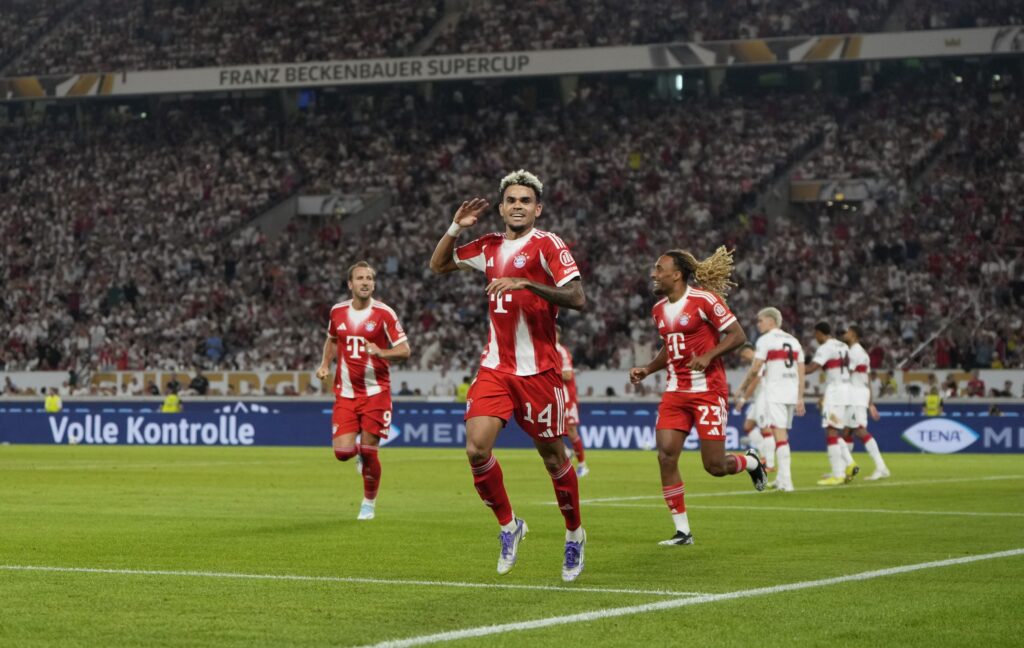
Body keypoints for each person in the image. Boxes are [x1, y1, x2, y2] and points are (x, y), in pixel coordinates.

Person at [428, 169, 588, 582]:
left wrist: (527, 283)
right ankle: (509, 525)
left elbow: (577, 297)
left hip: (540, 371)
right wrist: (454, 228)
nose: (518, 206)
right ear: (501, 208)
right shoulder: (487, 246)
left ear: (538, 208)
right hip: (496, 368)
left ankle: (574, 534)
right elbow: (439, 264)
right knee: (476, 450)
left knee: (553, 457)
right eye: (511, 200)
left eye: (525, 201)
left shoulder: (548, 245)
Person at [629, 247, 767, 546]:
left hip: (708, 391)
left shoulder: (705, 300)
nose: (654, 273)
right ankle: (682, 531)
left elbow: (738, 335)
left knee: (715, 466)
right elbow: (671, 346)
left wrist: (708, 355)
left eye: (659, 268)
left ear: (676, 274)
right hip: (676, 391)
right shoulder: (658, 310)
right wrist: (648, 369)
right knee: (665, 456)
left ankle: (751, 462)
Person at [315, 261, 411, 521]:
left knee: (370, 451)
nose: (365, 282)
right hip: (345, 393)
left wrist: (382, 352)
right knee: (343, 453)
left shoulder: (384, 313)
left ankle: (368, 503)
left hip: (376, 392)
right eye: (360, 278)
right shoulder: (337, 312)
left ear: (374, 283)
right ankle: (357, 456)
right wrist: (325, 364)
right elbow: (332, 339)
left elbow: (405, 350)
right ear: (350, 284)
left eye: (369, 278)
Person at [737, 308, 804, 492]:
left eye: (760, 321)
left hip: (775, 393)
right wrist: (800, 396)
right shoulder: (793, 340)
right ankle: (782, 479)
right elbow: (801, 369)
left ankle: (787, 482)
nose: (758, 324)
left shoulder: (766, 340)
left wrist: (741, 388)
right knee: (779, 434)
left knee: (780, 437)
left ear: (771, 321)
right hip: (790, 393)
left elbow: (756, 367)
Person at [805, 322, 856, 486]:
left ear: (820, 333)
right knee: (834, 429)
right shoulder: (843, 346)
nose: (815, 338)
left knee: (831, 430)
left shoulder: (826, 347)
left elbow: (812, 368)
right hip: (847, 389)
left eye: (816, 335)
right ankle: (849, 463)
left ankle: (838, 474)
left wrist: (794, 370)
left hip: (836, 391)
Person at [842, 326, 890, 480]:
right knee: (848, 431)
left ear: (854, 334)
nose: (845, 334)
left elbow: (845, 374)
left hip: (855, 396)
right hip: (859, 395)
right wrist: (870, 403)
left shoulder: (854, 352)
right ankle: (846, 469)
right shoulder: (862, 352)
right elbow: (867, 379)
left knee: (860, 430)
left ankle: (881, 467)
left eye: (848, 332)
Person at [556, 327, 588, 477]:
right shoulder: (543, 350)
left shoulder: (561, 351)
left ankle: (582, 465)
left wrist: (549, 372)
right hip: (553, 397)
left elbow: (568, 375)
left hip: (567, 397)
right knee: (547, 430)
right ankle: (567, 452)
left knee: (571, 430)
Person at [735, 343, 769, 469]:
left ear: (749, 351)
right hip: (759, 398)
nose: (744, 358)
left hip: (765, 397)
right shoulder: (755, 363)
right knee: (748, 426)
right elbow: (750, 379)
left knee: (765, 429)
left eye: (744, 355)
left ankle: (768, 461)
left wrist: (743, 399)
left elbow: (755, 382)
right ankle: (764, 456)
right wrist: (741, 389)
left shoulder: (759, 361)